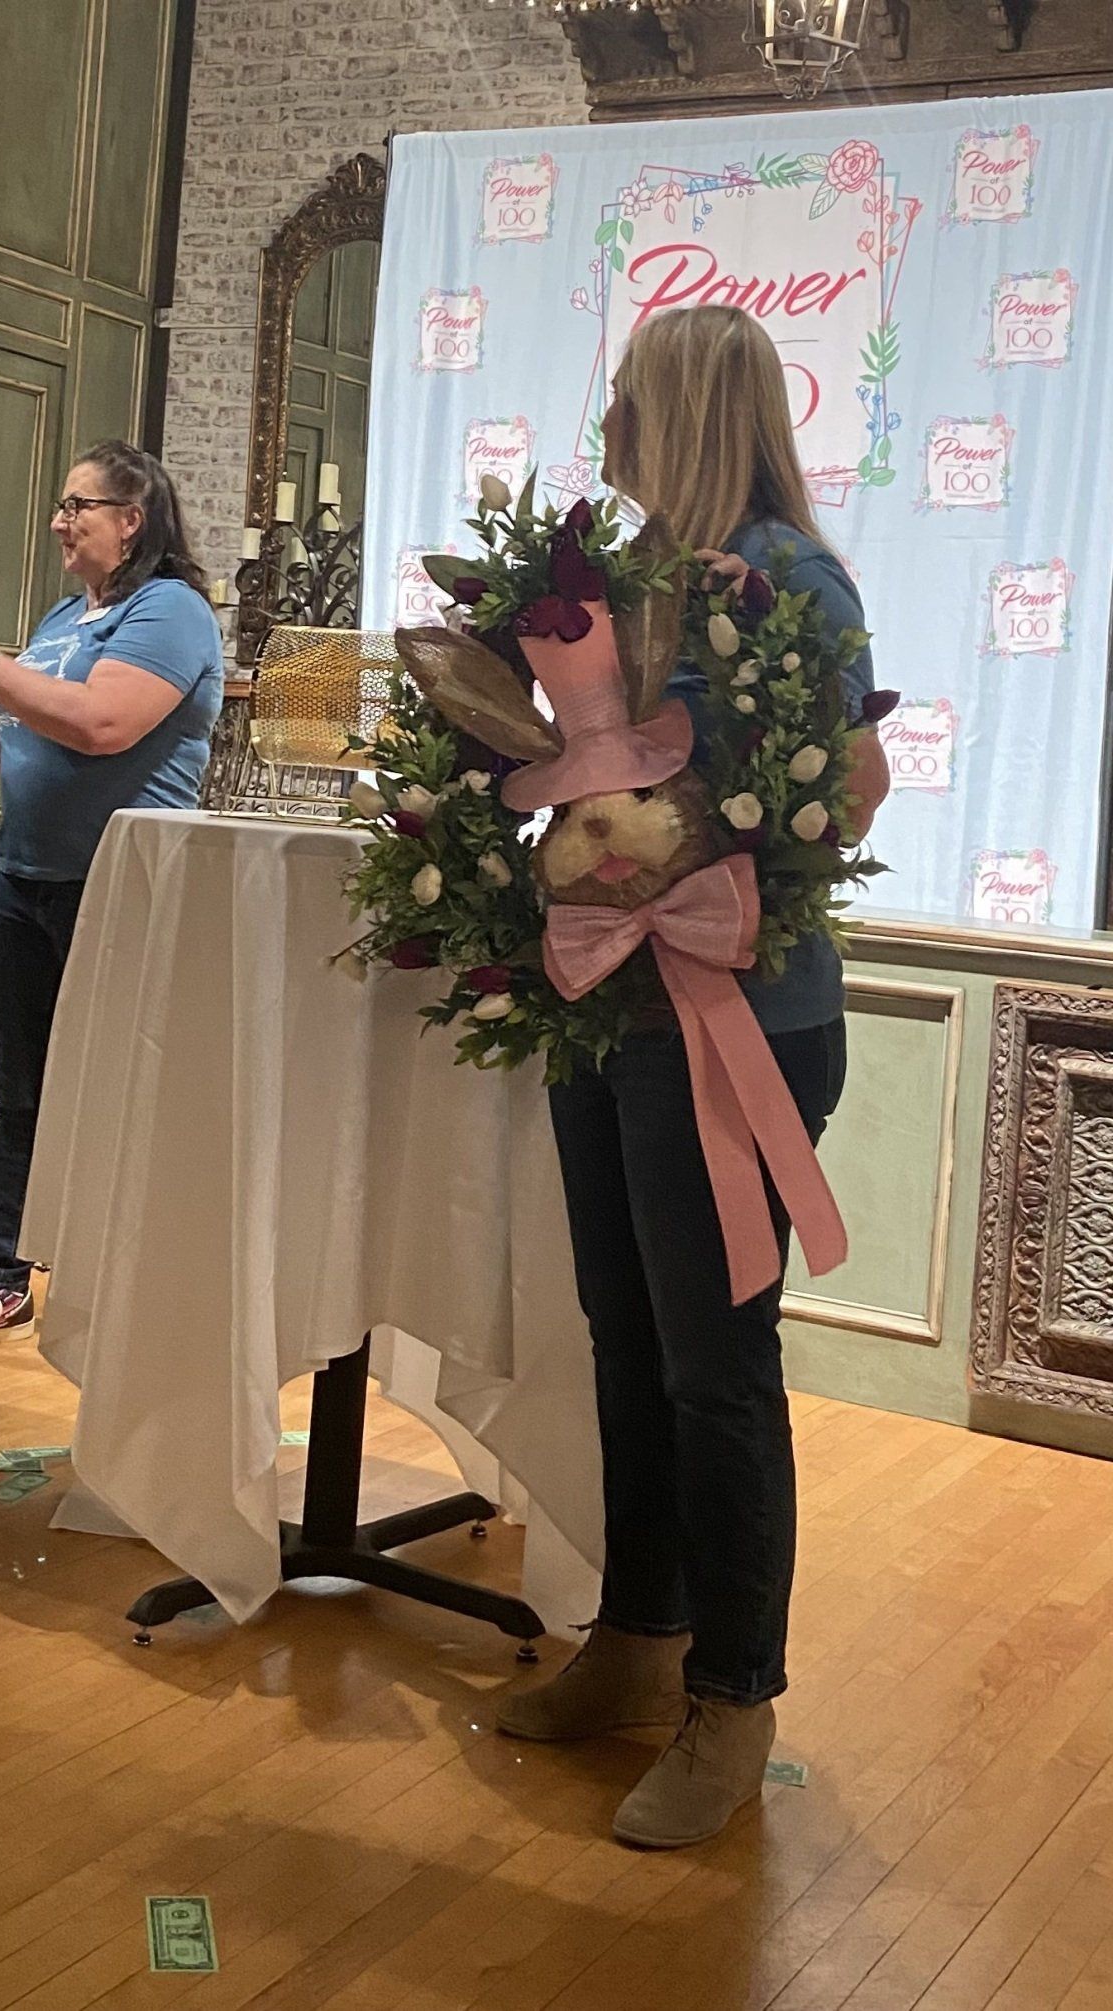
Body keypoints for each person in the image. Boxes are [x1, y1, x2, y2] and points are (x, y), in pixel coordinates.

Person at [496, 305, 890, 1850]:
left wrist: (701, 853)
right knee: (624, 1342)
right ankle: (639, 1634)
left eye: (629, 400)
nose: (607, 424)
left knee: (717, 1369)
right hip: (611, 1002)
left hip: (738, 1011)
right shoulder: (632, 579)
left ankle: (737, 1695)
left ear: (692, 412)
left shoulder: (791, 575)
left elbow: (851, 780)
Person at [0, 440, 222, 1356]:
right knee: (23, 1089)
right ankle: (3, 1280)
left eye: (80, 505)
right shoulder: (66, 617)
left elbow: (100, 725)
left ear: (131, 520)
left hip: (122, 887)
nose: (61, 520)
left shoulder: (169, 611)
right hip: (26, 880)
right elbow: (4, 742)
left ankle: (127, 1286)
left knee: (120, 1090)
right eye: (61, 504)